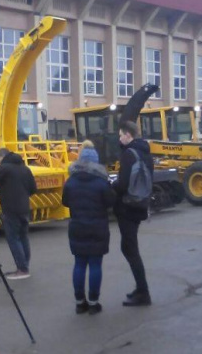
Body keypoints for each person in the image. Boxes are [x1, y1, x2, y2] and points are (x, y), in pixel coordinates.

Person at [62, 141, 116, 315]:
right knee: (95, 265)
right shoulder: (101, 183)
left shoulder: (71, 182)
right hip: (97, 227)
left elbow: (65, 202)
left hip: (77, 226)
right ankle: (93, 302)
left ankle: (79, 302)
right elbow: (110, 202)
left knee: (79, 264)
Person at [113, 121, 154, 306]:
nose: (119, 138)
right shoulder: (146, 153)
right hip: (140, 203)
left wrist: (111, 185)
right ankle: (140, 288)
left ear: (128, 135)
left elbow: (122, 184)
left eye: (121, 135)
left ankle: (143, 292)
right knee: (129, 247)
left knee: (130, 248)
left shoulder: (129, 154)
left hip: (127, 207)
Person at [0, 148, 37, 280]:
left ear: (1, 157)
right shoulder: (25, 168)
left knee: (13, 238)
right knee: (23, 237)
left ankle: (22, 269)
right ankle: (25, 266)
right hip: (24, 208)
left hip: (10, 208)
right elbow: (33, 189)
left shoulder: (4, 168)